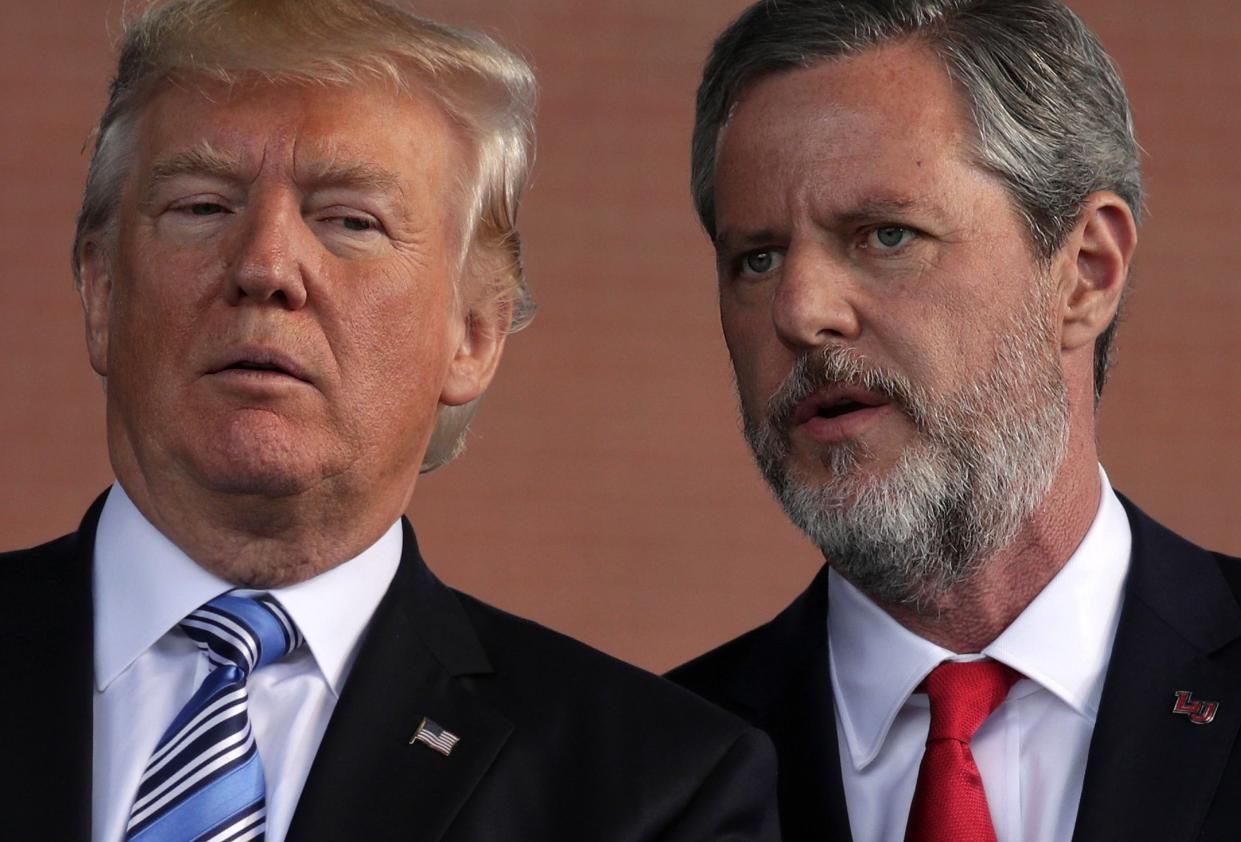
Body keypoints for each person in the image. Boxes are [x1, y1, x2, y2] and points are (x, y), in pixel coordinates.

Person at [1, 1, 780, 840]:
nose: (265, 265)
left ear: (473, 336)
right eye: (201, 207)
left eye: (349, 221)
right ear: (101, 293)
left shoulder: (656, 787)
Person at [668, 1, 1241, 840]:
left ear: (1083, 272)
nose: (799, 310)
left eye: (885, 235)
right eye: (755, 258)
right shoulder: (647, 769)